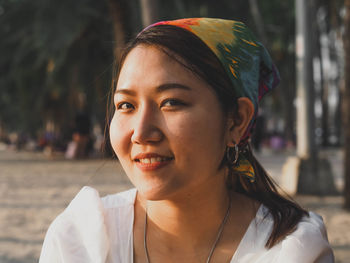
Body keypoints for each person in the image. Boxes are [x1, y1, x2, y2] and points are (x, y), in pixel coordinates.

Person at [39, 18, 334, 263]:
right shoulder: (81, 242)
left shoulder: (290, 251)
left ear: (236, 120)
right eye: (126, 105)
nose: (141, 132)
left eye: (171, 102)